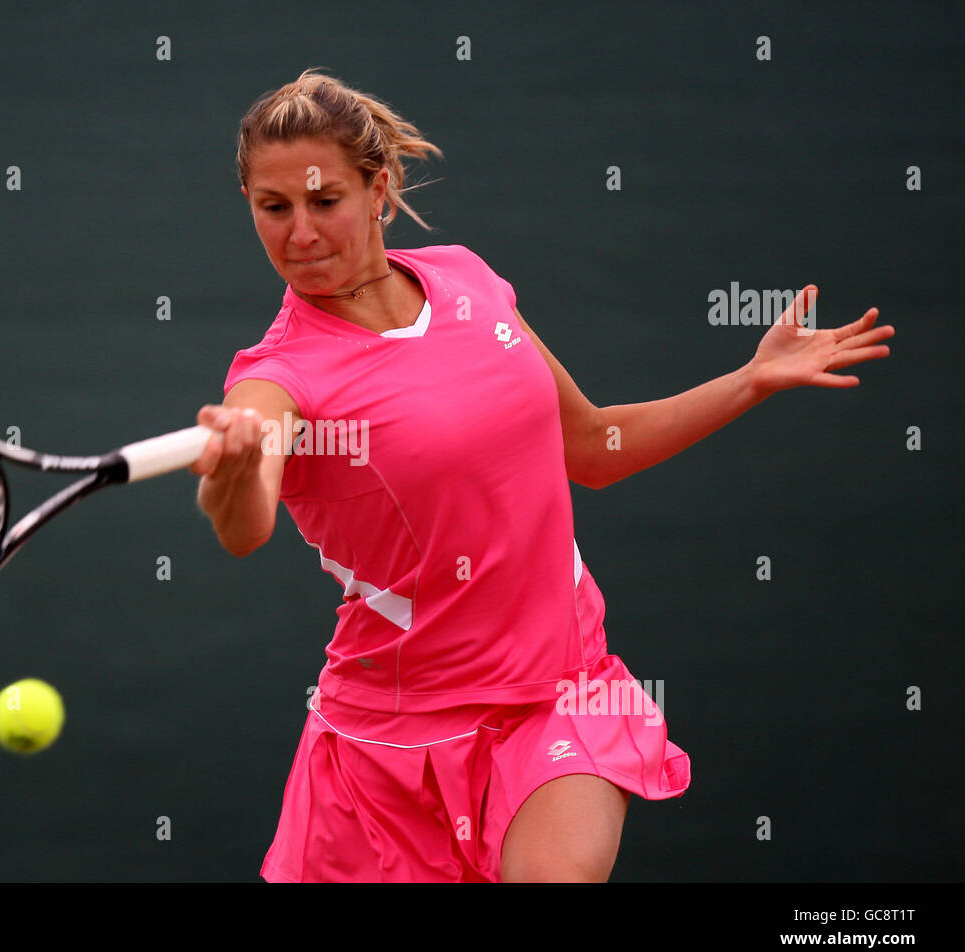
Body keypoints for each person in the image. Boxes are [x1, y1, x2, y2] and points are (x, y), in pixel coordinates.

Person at [191, 69, 894, 883]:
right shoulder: (276, 378)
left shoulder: (466, 279)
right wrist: (236, 467)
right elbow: (244, 528)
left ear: (378, 188)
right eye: (272, 208)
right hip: (386, 747)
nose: (301, 233)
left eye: (325, 201)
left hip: (562, 691)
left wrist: (748, 380)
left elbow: (593, 445)